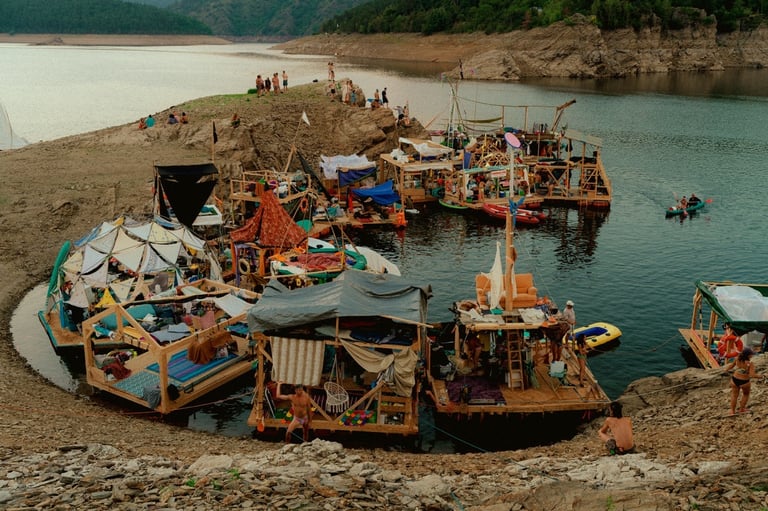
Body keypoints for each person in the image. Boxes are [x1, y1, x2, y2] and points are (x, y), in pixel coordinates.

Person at [723, 347, 762, 415]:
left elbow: (731, 365)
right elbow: (752, 375)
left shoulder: (737, 359)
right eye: (751, 354)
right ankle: (742, 409)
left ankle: (732, 411)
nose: (752, 355)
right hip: (744, 381)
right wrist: (761, 376)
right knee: (746, 394)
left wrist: (726, 370)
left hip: (735, 379)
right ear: (748, 355)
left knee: (734, 395)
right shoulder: (750, 363)